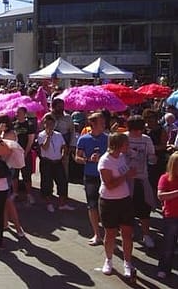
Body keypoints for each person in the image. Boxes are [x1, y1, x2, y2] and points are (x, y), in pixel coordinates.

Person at [97, 133, 137, 277]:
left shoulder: (121, 157)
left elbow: (123, 174)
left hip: (124, 200)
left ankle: (127, 263)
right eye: (126, 144)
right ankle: (108, 260)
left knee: (127, 233)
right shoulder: (105, 161)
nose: (128, 146)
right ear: (118, 145)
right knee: (111, 234)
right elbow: (110, 185)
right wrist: (127, 175)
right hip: (109, 201)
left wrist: (130, 173)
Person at [76, 112, 108, 246]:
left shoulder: (108, 138)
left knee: (106, 206)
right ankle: (97, 234)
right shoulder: (83, 139)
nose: (104, 125)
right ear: (93, 124)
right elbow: (77, 158)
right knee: (92, 205)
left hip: (106, 176)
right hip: (90, 176)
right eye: (101, 122)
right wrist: (88, 159)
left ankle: (108, 234)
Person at [125, 115, 157, 249]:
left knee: (145, 209)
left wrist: (153, 159)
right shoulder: (124, 138)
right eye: (136, 129)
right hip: (126, 180)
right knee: (127, 209)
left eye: (140, 129)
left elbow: (152, 156)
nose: (138, 132)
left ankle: (146, 235)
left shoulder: (146, 139)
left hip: (142, 178)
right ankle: (129, 232)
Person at [37, 113, 75, 212]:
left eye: (52, 124)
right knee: (47, 183)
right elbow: (44, 147)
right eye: (48, 124)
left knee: (62, 182)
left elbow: (63, 146)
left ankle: (62, 203)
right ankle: (49, 203)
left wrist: (63, 154)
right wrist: (48, 136)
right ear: (44, 124)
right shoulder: (41, 135)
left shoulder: (58, 135)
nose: (50, 126)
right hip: (47, 162)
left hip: (57, 162)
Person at [156, 152, 178, 279]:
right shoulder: (165, 178)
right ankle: (163, 268)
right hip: (171, 216)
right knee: (168, 245)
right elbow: (161, 195)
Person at [11, 106, 36, 204]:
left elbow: (30, 140)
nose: (17, 114)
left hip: (26, 153)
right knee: (14, 175)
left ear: (25, 114)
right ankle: (15, 193)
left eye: (19, 113)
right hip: (14, 154)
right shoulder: (13, 125)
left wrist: (25, 153)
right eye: (16, 112)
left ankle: (29, 194)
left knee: (26, 175)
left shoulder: (29, 125)